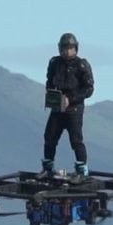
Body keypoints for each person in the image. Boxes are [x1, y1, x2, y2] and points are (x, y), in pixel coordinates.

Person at [38, 32, 94, 183]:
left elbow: (89, 89)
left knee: (76, 140)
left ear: (76, 48)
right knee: (49, 136)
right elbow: (49, 80)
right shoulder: (54, 63)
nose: (67, 51)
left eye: (70, 48)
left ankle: (82, 171)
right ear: (59, 49)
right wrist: (52, 95)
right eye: (64, 48)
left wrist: (72, 99)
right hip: (57, 107)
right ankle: (47, 169)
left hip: (74, 109)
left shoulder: (82, 65)